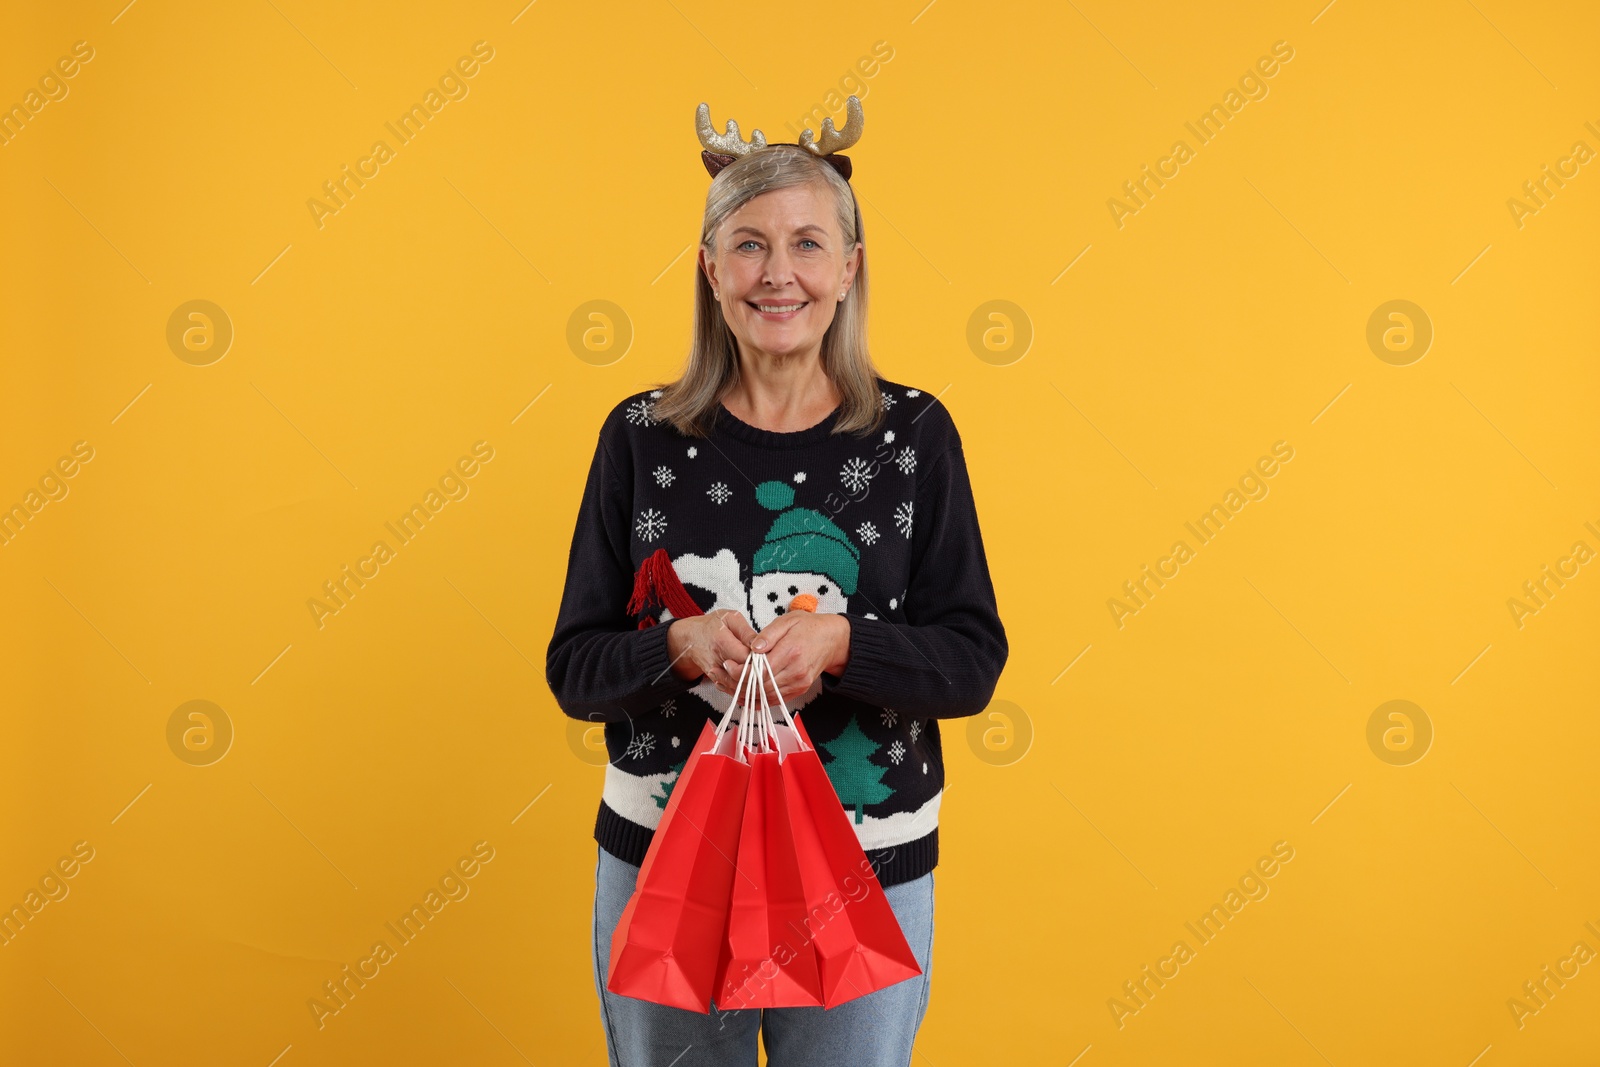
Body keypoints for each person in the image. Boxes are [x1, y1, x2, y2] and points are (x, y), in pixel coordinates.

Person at [545, 95, 1008, 1067]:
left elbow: (971, 664)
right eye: (748, 245)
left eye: (806, 242)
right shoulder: (639, 438)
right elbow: (575, 670)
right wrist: (674, 645)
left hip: (865, 869)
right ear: (709, 269)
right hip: (669, 863)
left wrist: (844, 642)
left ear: (849, 267)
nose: (778, 273)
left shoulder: (913, 437)